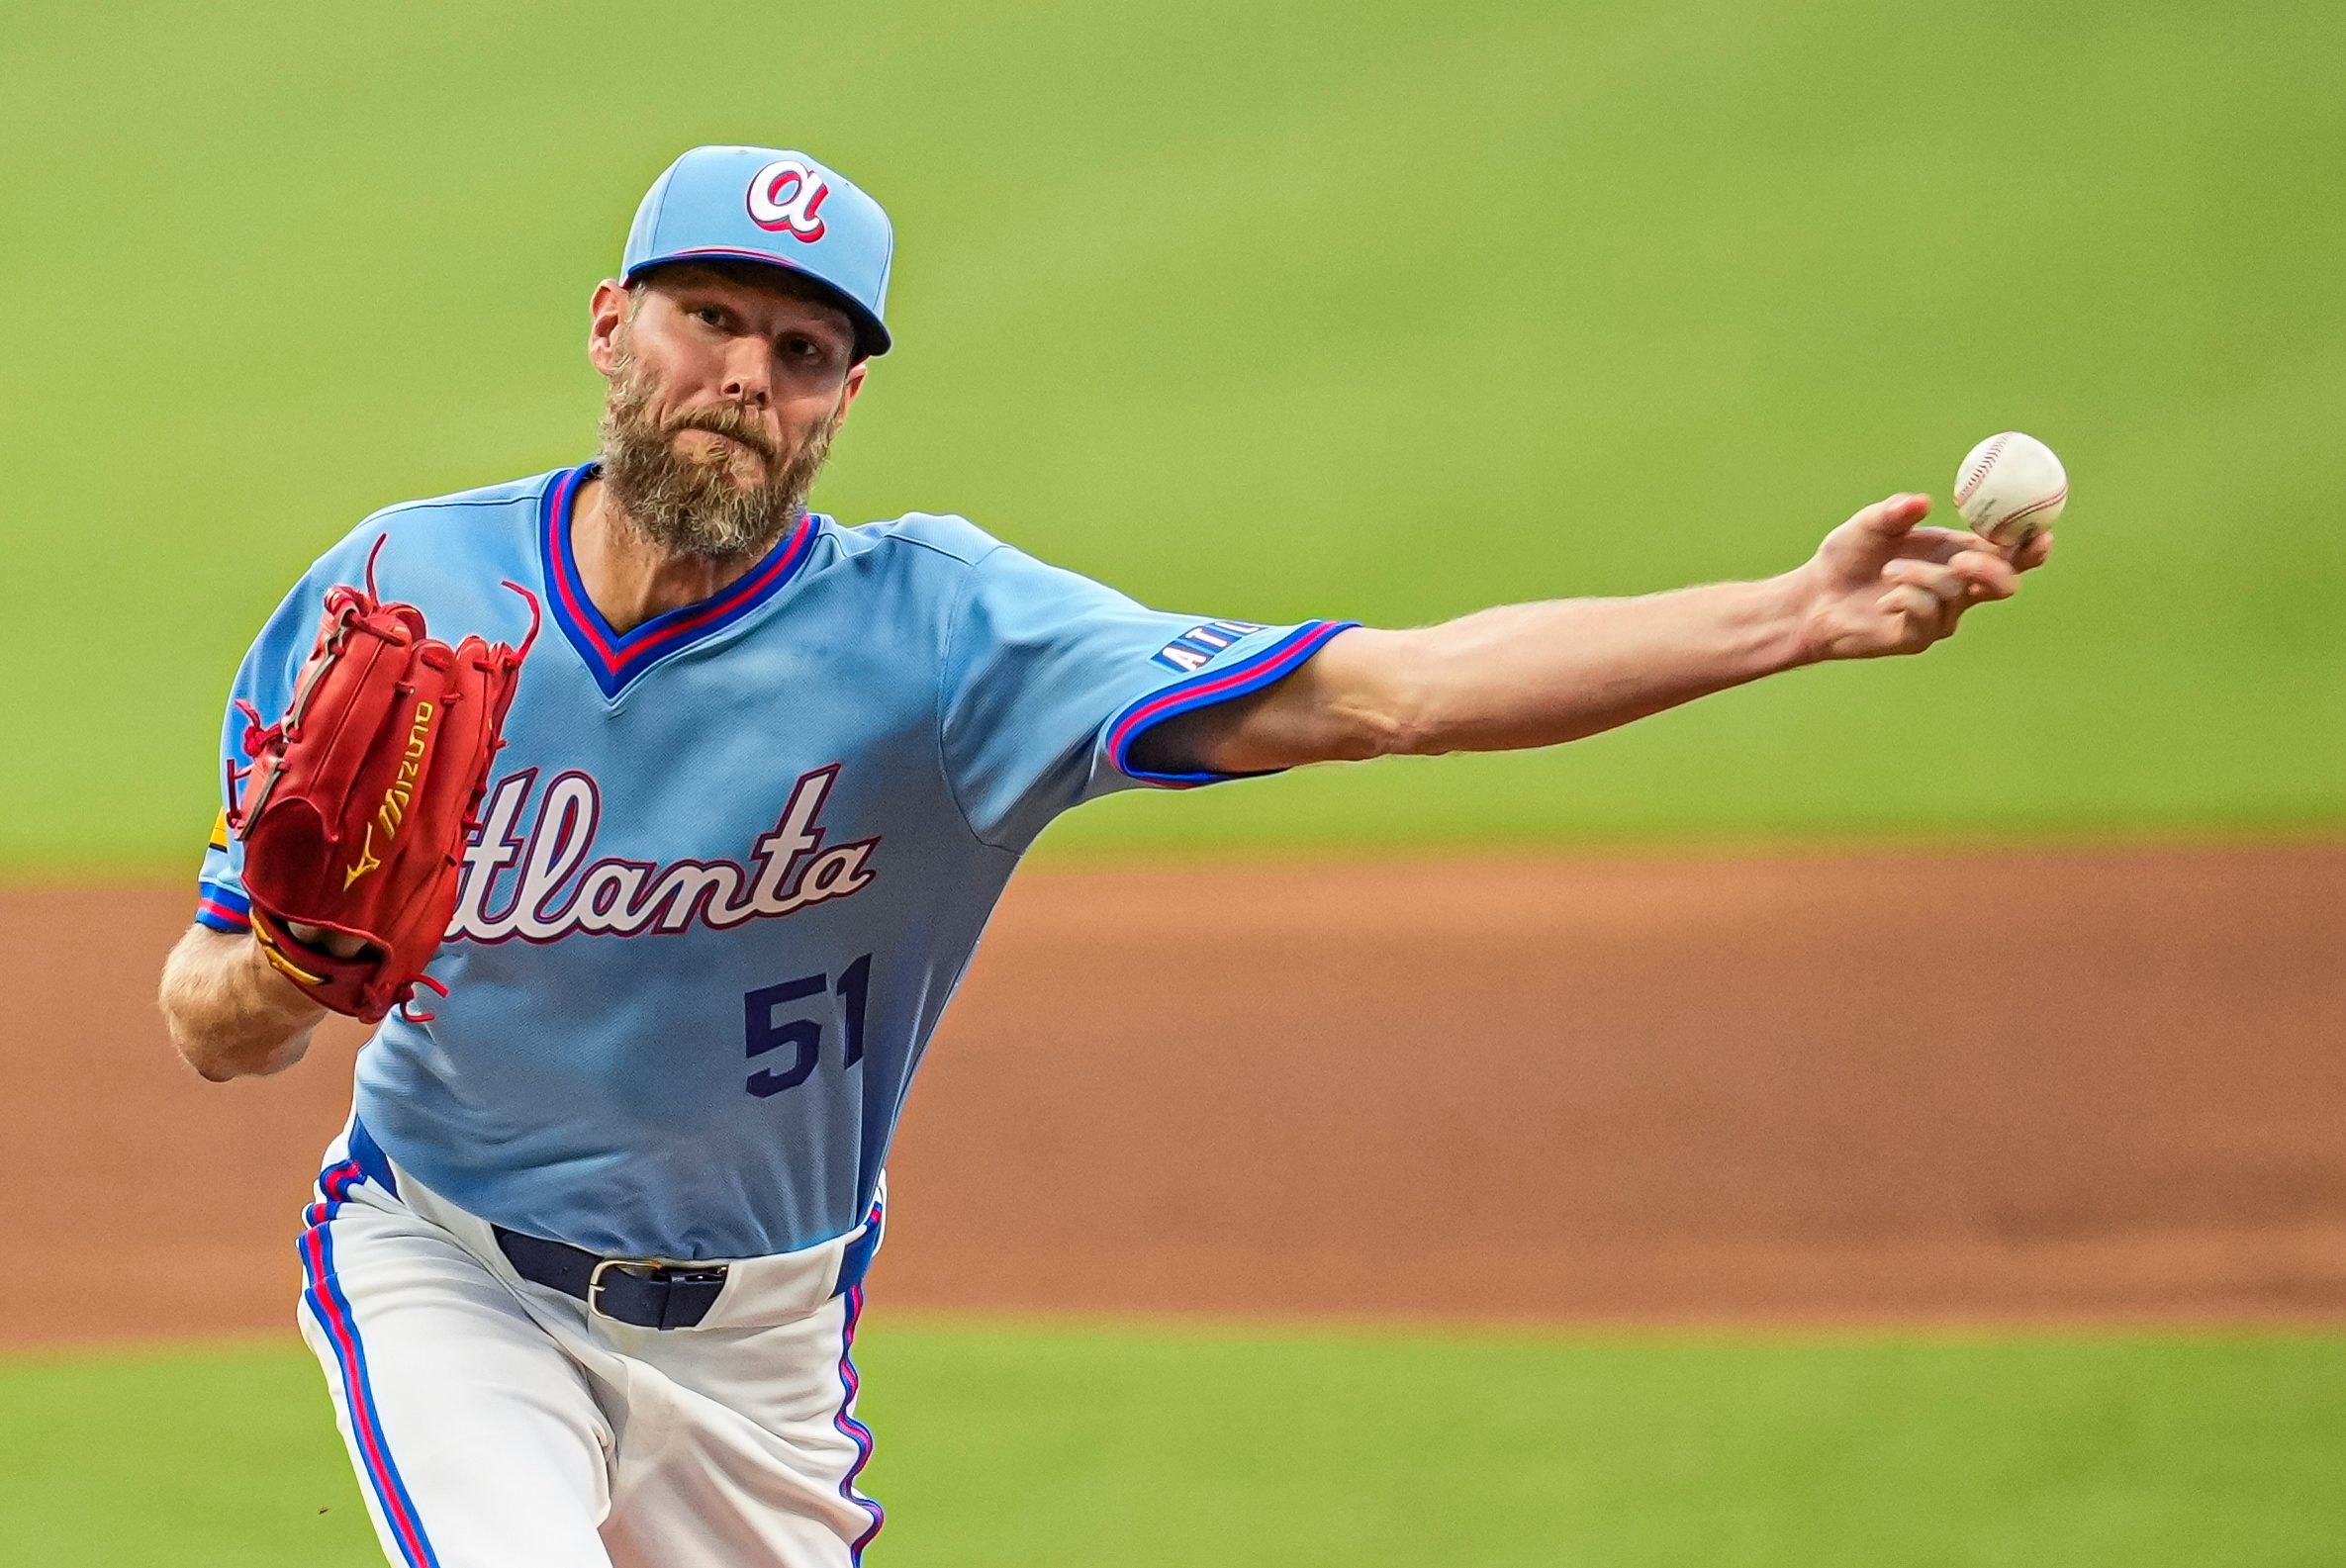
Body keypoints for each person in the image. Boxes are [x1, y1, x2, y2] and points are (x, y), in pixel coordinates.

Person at [157, 143, 2049, 1568]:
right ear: (610, 325)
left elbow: (1391, 692)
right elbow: (211, 1020)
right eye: (707, 317)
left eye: (801, 347)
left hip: (762, 1341)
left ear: (844, 401)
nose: (746, 371)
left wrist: (1784, 618)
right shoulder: (399, 587)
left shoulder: (946, 639)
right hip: (445, 1268)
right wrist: (291, 971)